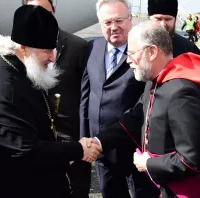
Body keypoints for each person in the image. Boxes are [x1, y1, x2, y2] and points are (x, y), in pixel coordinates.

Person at [0, 5, 101, 198]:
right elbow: (25, 151)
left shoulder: (15, 67)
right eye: (46, 50)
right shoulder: (5, 90)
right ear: (23, 48)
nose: (52, 58)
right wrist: (77, 149)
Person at [87, 20, 200, 198]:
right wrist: (97, 142)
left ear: (152, 52)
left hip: (185, 190)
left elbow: (192, 160)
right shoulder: (155, 82)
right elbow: (133, 119)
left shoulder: (181, 91)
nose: (128, 61)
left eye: (132, 53)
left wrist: (148, 164)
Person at [80, 0, 149, 197]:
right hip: (102, 148)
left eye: (119, 20)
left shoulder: (144, 50)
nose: (114, 27)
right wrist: (85, 137)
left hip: (136, 148)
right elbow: (86, 96)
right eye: (107, 22)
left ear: (130, 20)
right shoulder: (93, 47)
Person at [23, 0, 90, 197]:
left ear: (54, 11)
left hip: (72, 137)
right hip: (38, 141)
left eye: (45, 11)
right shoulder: (20, 48)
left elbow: (86, 93)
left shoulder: (79, 46)